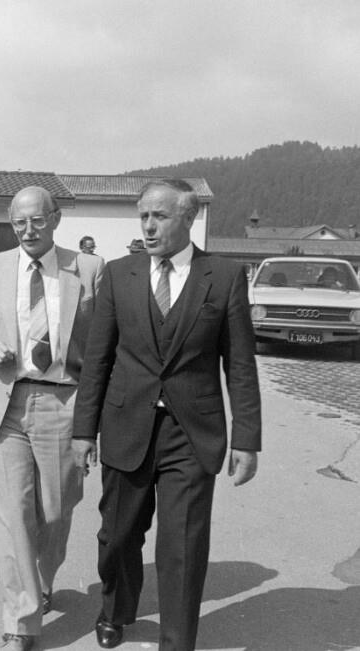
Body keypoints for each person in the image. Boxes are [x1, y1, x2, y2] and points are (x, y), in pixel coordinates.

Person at [72, 179, 261, 650]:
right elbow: (97, 359)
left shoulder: (224, 276)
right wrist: (83, 430)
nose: (149, 226)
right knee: (118, 535)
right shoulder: (120, 274)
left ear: (188, 218)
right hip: (125, 425)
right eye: (144, 216)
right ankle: (116, 609)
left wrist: (246, 439)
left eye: (160, 216)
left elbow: (239, 364)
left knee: (182, 545)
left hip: (191, 432)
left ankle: (177, 641)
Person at [0, 186, 105, 651]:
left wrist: (95, 419)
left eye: (37, 220)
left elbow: (103, 345)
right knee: (13, 516)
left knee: (57, 511)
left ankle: (41, 580)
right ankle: (21, 621)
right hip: (8, 404)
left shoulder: (89, 269)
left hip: (65, 404)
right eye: (19, 222)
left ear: (55, 219)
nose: (27, 230)